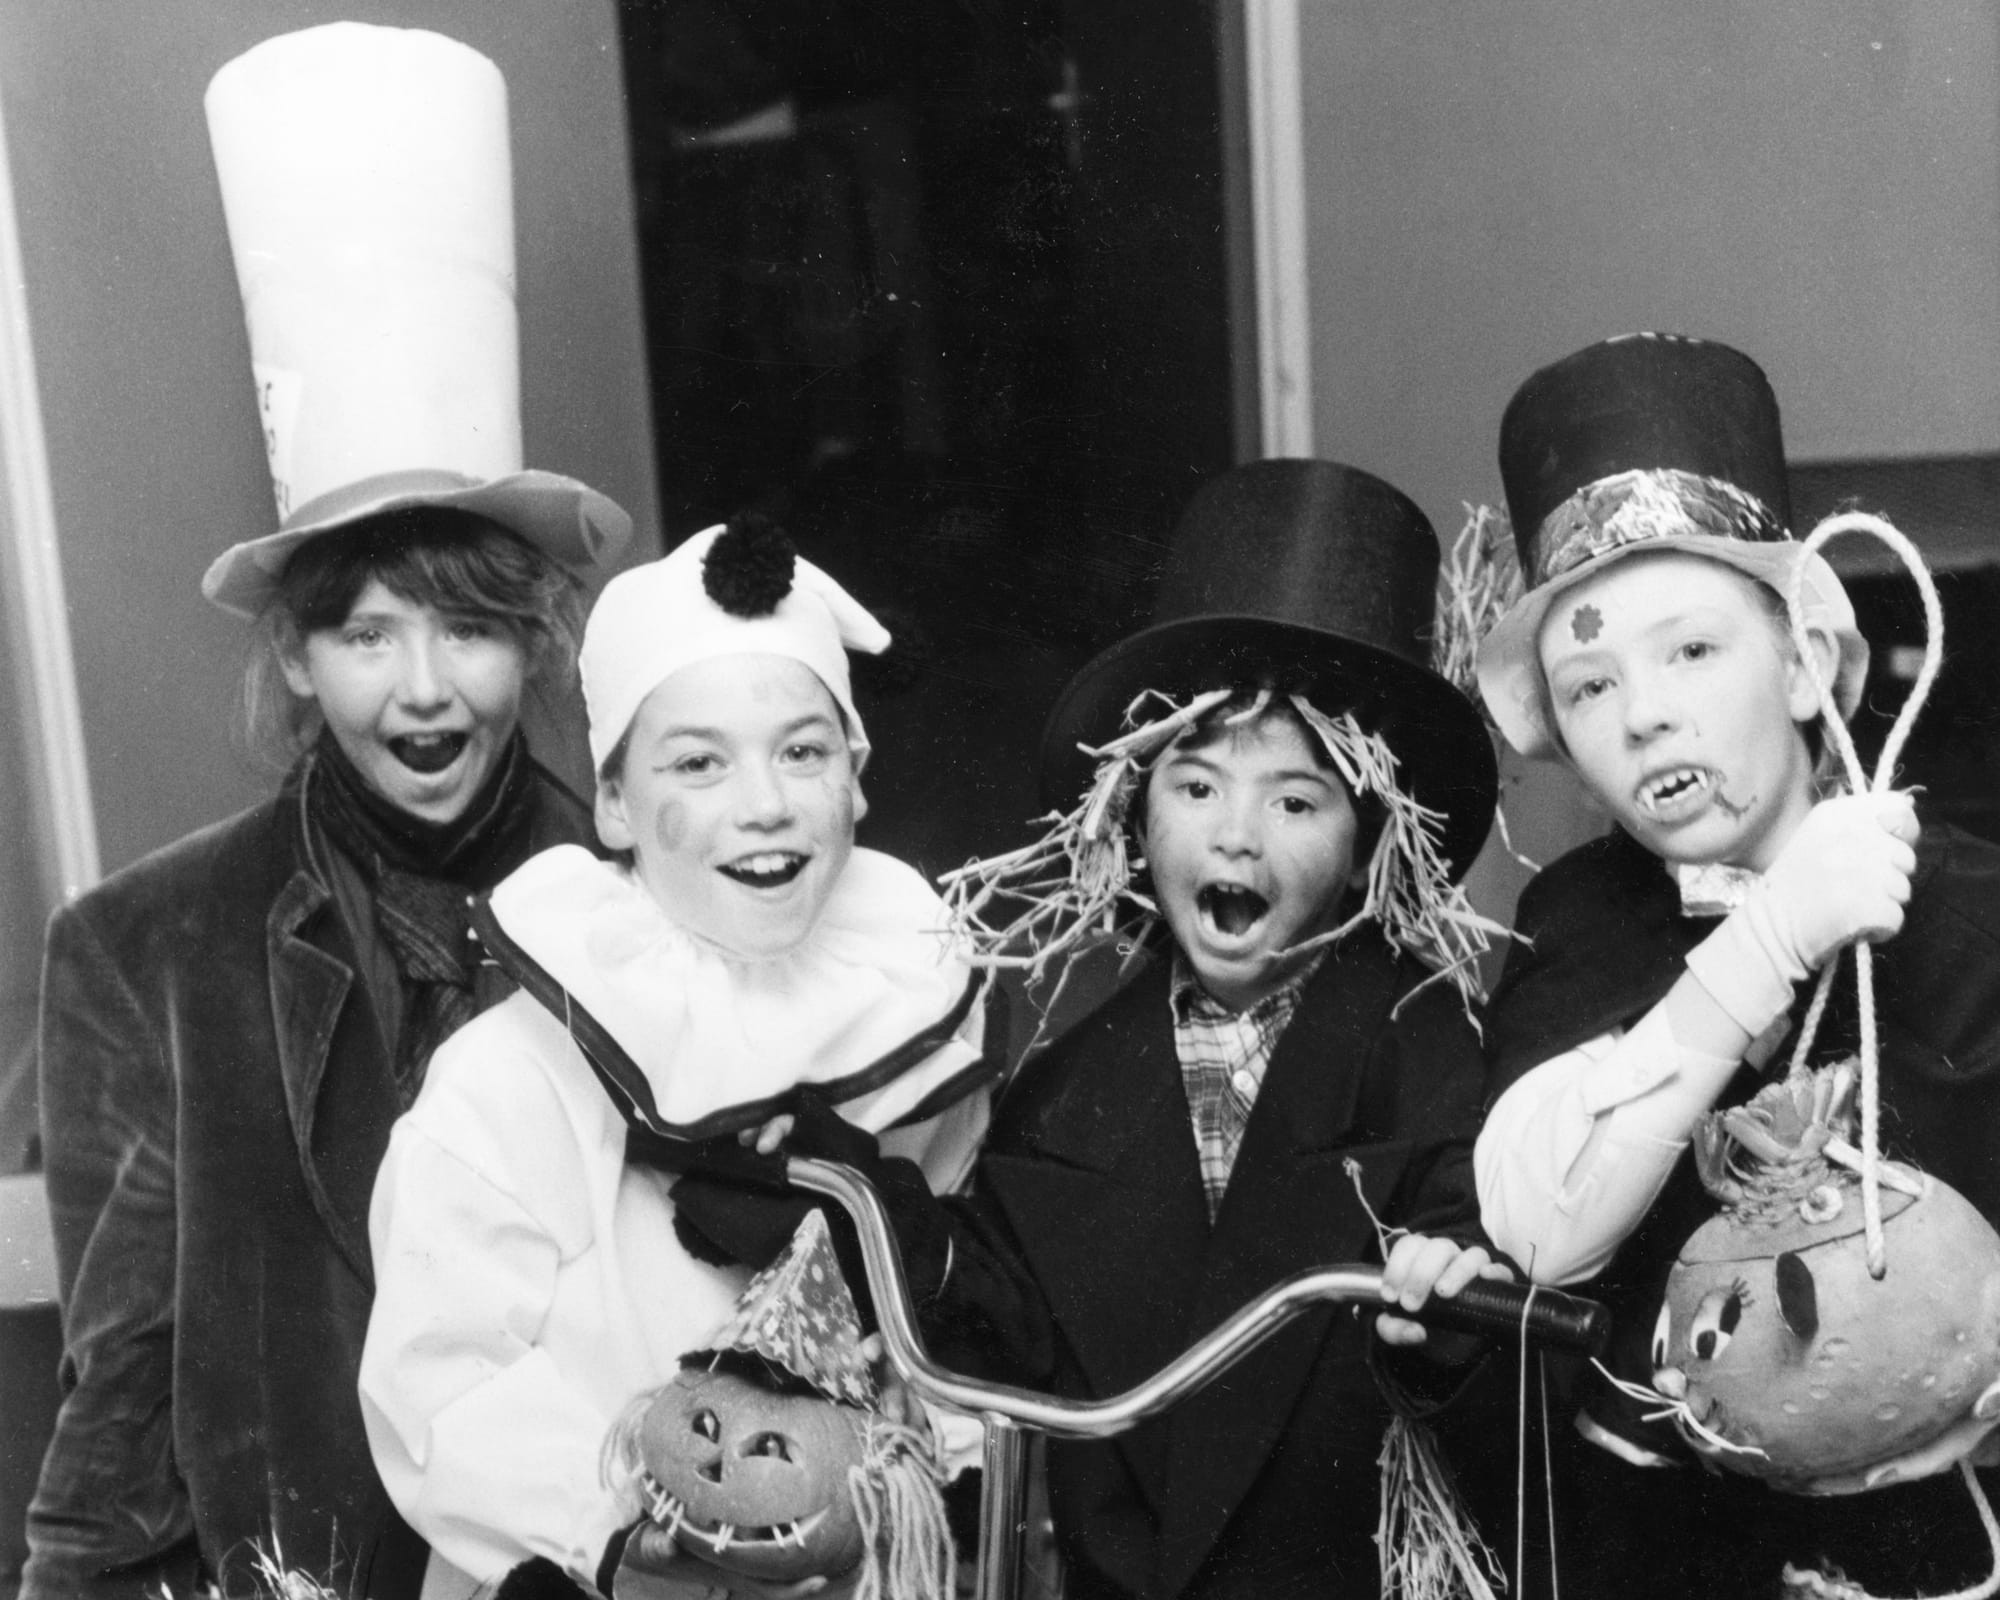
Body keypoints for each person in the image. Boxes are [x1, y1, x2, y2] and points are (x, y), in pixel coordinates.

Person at [21, 24, 633, 1600]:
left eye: (471, 629)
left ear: (540, 639)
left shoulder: (643, 919)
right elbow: (119, 1412)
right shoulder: (139, 951)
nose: (424, 690)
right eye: (368, 632)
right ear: (295, 655)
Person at [675, 460, 1512, 1600]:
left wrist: (1450, 1312)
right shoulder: (1071, 1084)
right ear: (1132, 808)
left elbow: (1490, 1331)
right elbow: (998, 1312)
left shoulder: (1431, 1049)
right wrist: (847, 1192)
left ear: (1370, 842)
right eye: (1196, 786)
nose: (1236, 838)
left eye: (1296, 800)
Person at [358, 517, 995, 1600]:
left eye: (802, 750)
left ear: (856, 777)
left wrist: (936, 1478)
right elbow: (442, 1379)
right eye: (697, 762)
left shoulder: (915, 1025)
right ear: (613, 802)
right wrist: (626, 1529)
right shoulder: (508, 1076)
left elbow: (961, 1332)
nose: (763, 803)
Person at [1471, 332, 2000, 1596]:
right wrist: (1766, 945)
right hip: (1659, 1558)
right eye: (1586, 684)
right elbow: (1540, 1227)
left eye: (1690, 650)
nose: (1641, 712)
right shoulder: (1572, 926)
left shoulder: (1977, 906)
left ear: (1805, 659)